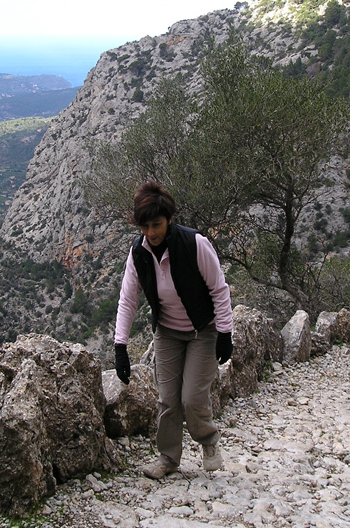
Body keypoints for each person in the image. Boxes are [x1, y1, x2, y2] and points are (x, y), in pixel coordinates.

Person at [113, 181, 234, 480]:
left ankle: (208, 442)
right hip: (167, 332)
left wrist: (225, 333)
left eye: (156, 224)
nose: (151, 233)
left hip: (202, 331)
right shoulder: (138, 252)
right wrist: (120, 346)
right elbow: (128, 299)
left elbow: (219, 290)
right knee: (167, 399)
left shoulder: (194, 243)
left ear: (168, 219)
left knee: (191, 398)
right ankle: (168, 458)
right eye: (145, 226)